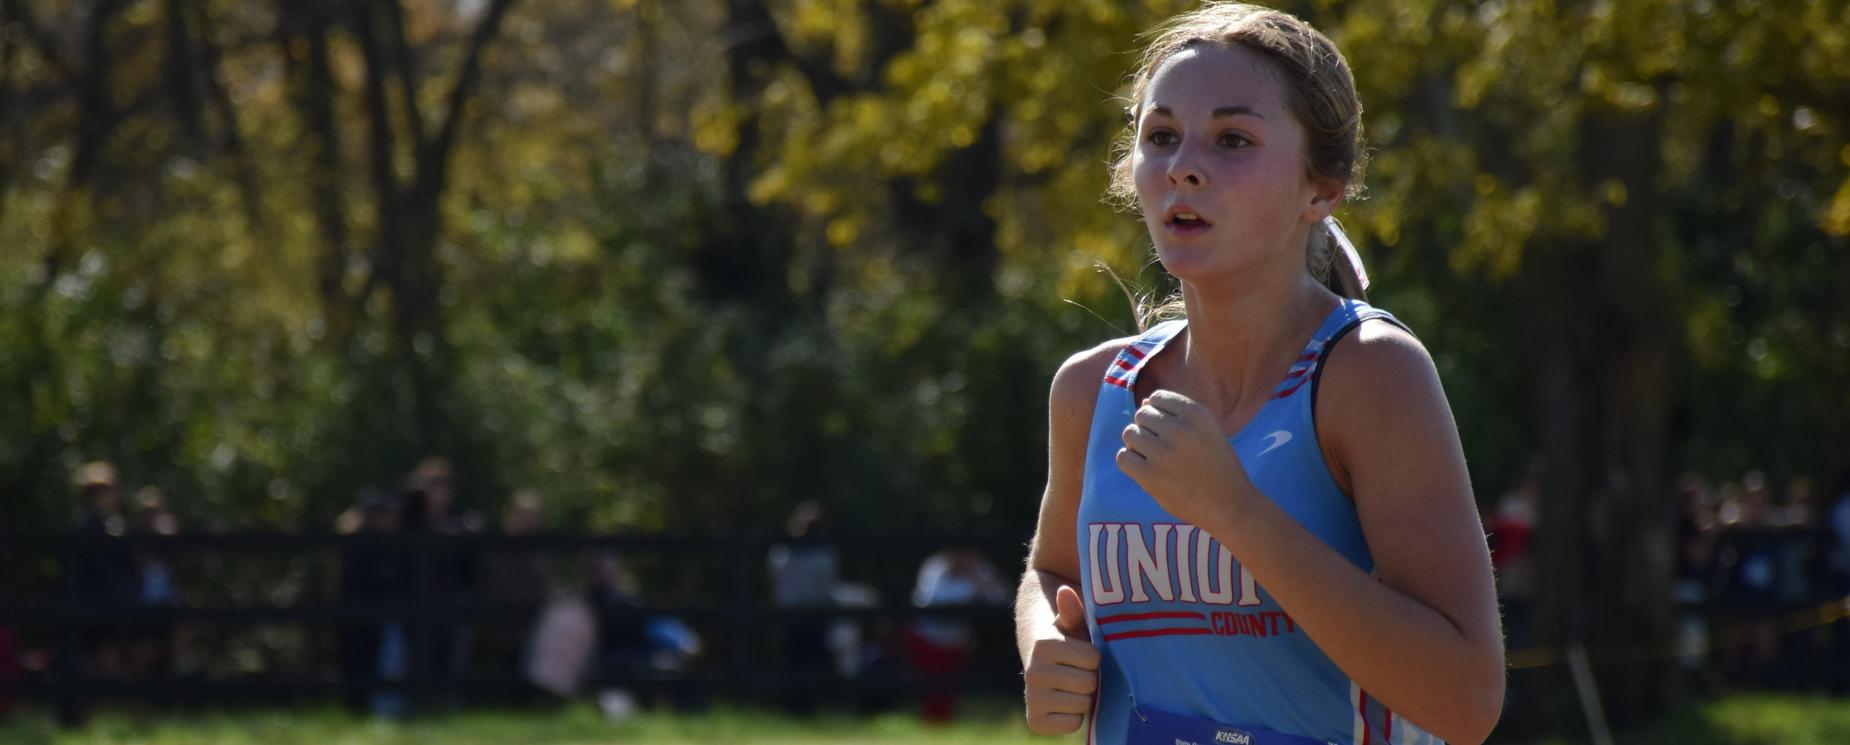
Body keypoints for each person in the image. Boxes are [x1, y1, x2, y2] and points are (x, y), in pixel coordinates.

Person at [1013, 6, 1504, 744]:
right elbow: (1050, 573)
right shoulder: (1093, 388)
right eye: (1161, 136)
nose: (1183, 165)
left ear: (1323, 189)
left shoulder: (1369, 374)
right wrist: (1044, 642)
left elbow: (1466, 701)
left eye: (1233, 139)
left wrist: (1238, 514)